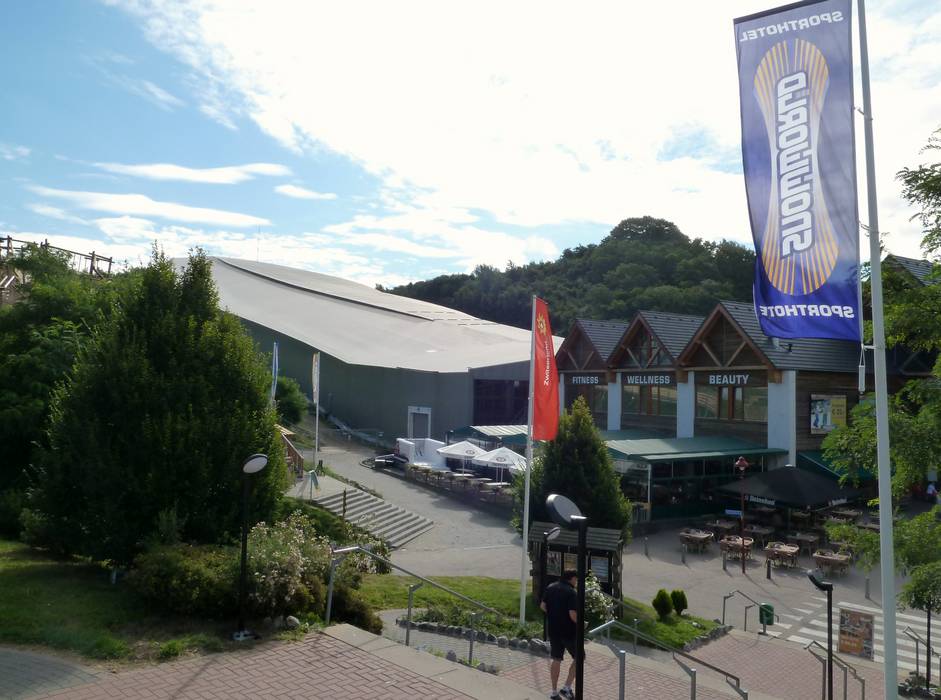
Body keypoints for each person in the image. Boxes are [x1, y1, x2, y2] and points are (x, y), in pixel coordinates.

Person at [541, 569, 578, 700]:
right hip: (569, 632)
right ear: (572, 578)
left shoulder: (551, 587)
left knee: (556, 659)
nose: (576, 582)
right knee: (579, 658)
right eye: (576, 579)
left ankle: (554, 692)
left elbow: (543, 606)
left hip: (553, 630)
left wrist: (553, 614)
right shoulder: (571, 592)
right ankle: (567, 687)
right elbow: (572, 614)